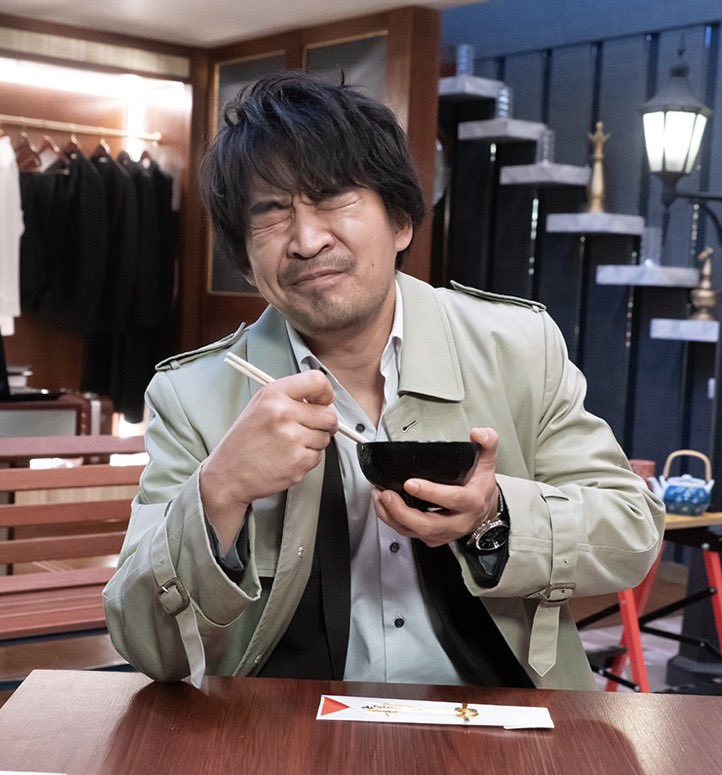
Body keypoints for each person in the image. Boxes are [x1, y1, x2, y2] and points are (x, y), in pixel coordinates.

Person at [103, 72, 664, 689]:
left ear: (400, 222)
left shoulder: (516, 346)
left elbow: (631, 532)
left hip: (497, 713)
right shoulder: (193, 395)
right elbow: (145, 642)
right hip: (284, 725)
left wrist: (495, 514)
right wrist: (219, 492)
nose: (307, 240)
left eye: (332, 198)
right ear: (245, 258)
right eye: (271, 213)